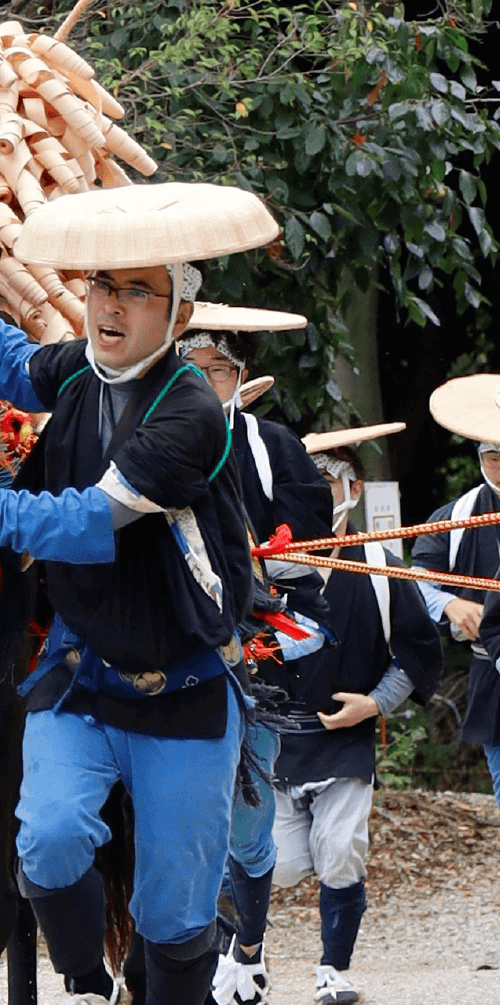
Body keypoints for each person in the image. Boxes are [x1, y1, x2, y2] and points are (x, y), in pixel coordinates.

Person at [0, 181, 274, 1005]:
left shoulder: (191, 413)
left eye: (139, 291)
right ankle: (85, 981)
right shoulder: (79, 371)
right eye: (104, 286)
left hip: (186, 688)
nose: (112, 305)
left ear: (176, 317)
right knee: (50, 838)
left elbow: (85, 522)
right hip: (84, 676)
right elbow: (2, 362)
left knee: (174, 917)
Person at [177, 308, 333, 1005]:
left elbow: (313, 543)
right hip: (175, 643)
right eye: (189, 369)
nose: (201, 382)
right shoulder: (152, 437)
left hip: (259, 644)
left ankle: (248, 942)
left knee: (247, 814)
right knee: (179, 803)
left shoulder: (274, 446)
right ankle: (199, 946)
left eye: (213, 369)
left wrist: (270, 554)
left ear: (240, 378)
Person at [269, 431, 442, 1005]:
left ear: (354, 487)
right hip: (272, 741)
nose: (316, 495)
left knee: (341, 851)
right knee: (277, 863)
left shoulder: (380, 566)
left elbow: (418, 653)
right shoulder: (268, 561)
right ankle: (241, 955)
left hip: (345, 740)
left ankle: (332, 970)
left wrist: (374, 704)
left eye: (325, 482)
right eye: (304, 484)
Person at [410, 399, 500, 817]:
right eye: (496, 457)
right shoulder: (457, 518)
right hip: (492, 669)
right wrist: (449, 603)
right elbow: (416, 581)